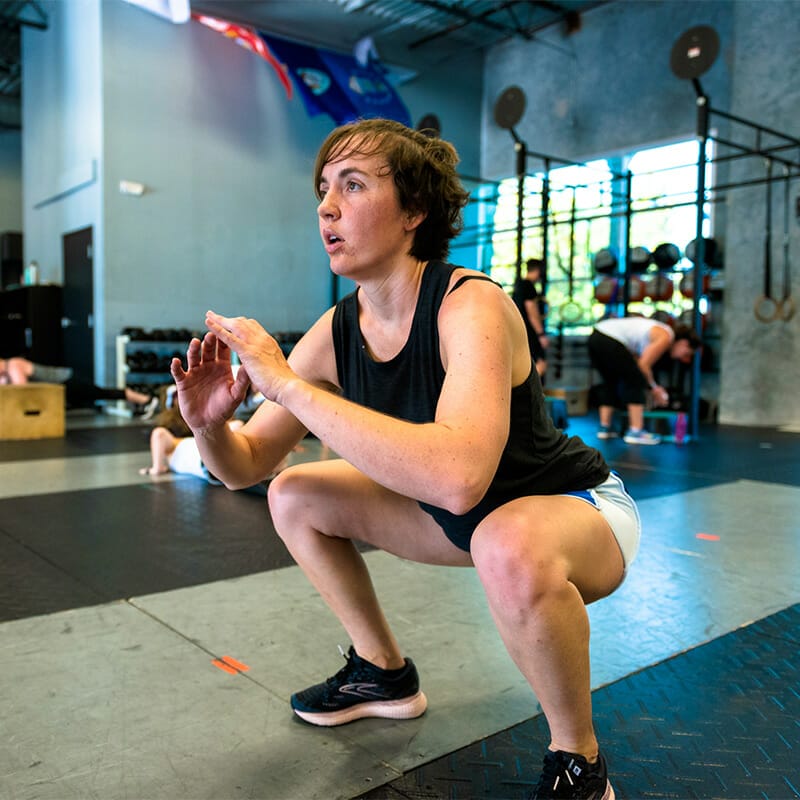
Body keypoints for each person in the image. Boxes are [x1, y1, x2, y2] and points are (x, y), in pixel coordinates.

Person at [171, 118, 641, 800]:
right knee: (295, 494)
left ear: (414, 212)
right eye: (324, 189)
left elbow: (459, 478)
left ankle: (579, 762)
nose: (327, 206)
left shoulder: (469, 304)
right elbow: (244, 467)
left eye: (353, 186)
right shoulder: (336, 330)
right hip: (468, 525)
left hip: (576, 514)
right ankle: (381, 671)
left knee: (505, 540)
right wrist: (207, 425)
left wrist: (290, 386)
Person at [587, 316, 701, 444]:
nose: (684, 357)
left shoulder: (655, 334)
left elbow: (635, 360)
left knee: (610, 381)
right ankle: (636, 431)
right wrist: (655, 389)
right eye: (687, 353)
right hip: (609, 337)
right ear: (684, 343)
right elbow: (643, 366)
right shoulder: (666, 337)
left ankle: (605, 427)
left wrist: (652, 386)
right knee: (635, 379)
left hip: (596, 335)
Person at [0, 355, 158, 416]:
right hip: (58, 390)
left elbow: (21, 388)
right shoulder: (7, 373)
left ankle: (146, 400)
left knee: (101, 393)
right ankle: (144, 401)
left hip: (68, 381)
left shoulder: (14, 365)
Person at [512, 257, 548, 377]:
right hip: (530, 333)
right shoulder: (529, 286)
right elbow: (532, 313)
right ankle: (533, 395)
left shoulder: (519, 286)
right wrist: (541, 335)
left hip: (519, 332)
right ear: (538, 270)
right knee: (540, 364)